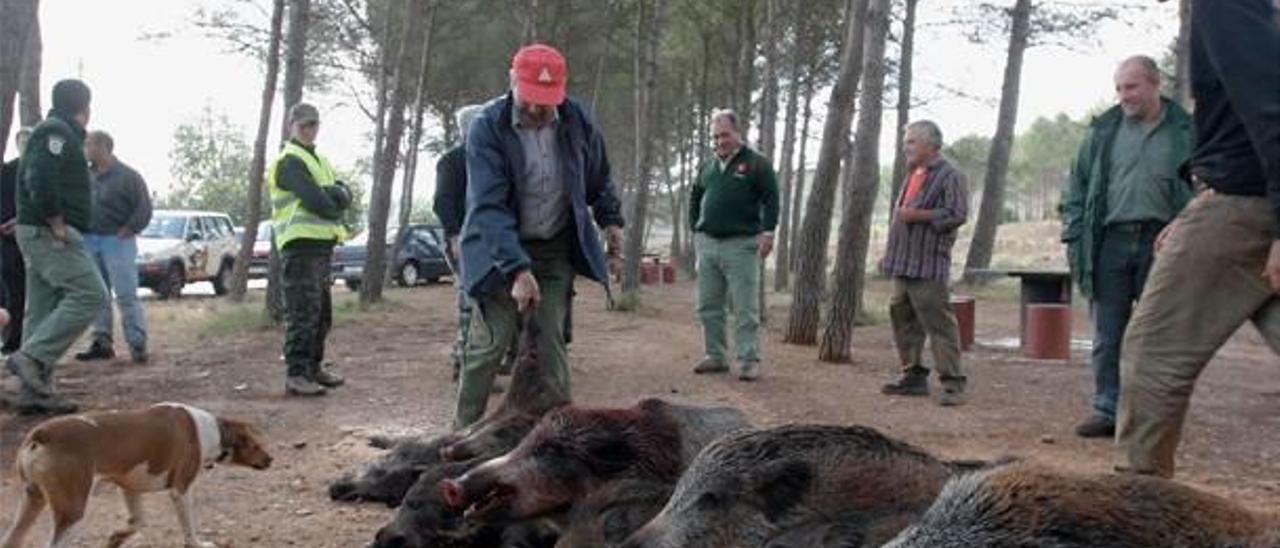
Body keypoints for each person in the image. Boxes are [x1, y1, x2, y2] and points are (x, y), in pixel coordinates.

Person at [1115, 0, 1280, 478]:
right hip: (1236, 198)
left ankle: (1138, 509)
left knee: (1152, 356)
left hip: (1245, 207)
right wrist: (1199, 204)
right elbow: (1238, 122)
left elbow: (1271, 107)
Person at [455, 43, 624, 428]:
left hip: (553, 247)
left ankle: (560, 439)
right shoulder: (487, 126)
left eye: (546, 101)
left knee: (550, 344)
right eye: (530, 98)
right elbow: (488, 205)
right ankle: (459, 435)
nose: (536, 108)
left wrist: (611, 221)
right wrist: (516, 269)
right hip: (495, 247)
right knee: (490, 345)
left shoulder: (578, 119)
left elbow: (599, 176)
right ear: (512, 81)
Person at [1060, 56, 1194, 439]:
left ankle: (1150, 416)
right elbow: (1077, 186)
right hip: (1109, 242)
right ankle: (1106, 408)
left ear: (1155, 84)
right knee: (1106, 335)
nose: (1124, 96)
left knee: (1157, 334)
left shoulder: (1185, 130)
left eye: (1131, 87)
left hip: (1164, 243)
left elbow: (1205, 186)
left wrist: (1184, 227)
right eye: (1119, 88)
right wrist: (1073, 235)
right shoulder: (1103, 132)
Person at [5, 79, 108, 415]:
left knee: (42, 309)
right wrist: (55, 222)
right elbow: (39, 176)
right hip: (51, 234)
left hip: (36, 229)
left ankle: (34, 393)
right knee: (91, 294)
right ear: (85, 106)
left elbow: (35, 177)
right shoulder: (56, 133)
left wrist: (26, 218)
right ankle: (31, 359)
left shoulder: (57, 133)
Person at [878, 120, 970, 407]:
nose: (906, 147)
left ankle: (953, 383)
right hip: (903, 263)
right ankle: (913, 375)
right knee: (902, 318)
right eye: (906, 142)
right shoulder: (914, 173)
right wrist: (888, 253)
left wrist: (919, 216)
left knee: (938, 324)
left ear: (931, 145)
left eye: (911, 142)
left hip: (928, 263)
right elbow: (900, 215)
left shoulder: (950, 175)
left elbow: (957, 213)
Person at [267, 102, 353, 397]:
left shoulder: (318, 160)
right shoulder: (289, 161)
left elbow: (344, 192)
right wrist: (334, 199)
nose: (309, 130)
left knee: (321, 313)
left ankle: (313, 367)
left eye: (313, 124)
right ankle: (297, 373)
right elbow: (318, 200)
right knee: (303, 312)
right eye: (304, 125)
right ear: (291, 125)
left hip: (320, 247)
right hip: (299, 245)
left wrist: (335, 196)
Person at [689, 109, 779, 382]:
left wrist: (768, 233)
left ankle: (748, 360)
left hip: (741, 244)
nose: (719, 141)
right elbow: (695, 196)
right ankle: (715, 356)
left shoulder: (756, 163)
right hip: (708, 244)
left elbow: (772, 199)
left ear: (738, 133)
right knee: (707, 304)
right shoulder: (707, 166)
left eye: (724, 135)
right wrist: (695, 228)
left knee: (744, 306)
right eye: (715, 137)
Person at [74, 130, 154, 364]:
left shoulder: (128, 176)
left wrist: (130, 228)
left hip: (117, 241)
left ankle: (137, 344)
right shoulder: (84, 176)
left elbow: (144, 207)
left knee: (126, 294)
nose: (85, 150)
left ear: (103, 147)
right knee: (98, 295)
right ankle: (101, 343)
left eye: (89, 145)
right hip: (89, 240)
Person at [435, 103, 486, 381]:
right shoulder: (453, 160)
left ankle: (478, 360)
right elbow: (442, 202)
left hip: (484, 240)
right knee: (470, 302)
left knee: (482, 303)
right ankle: (464, 364)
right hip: (463, 241)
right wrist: (454, 235)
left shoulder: (486, 156)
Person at [0, 127, 32, 355]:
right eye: (21, 141)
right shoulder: (7, 171)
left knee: (40, 294)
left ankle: (35, 340)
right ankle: (13, 340)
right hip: (10, 241)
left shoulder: (44, 171)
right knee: (15, 292)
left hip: (37, 237)